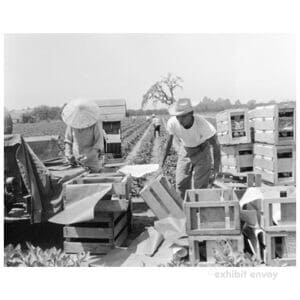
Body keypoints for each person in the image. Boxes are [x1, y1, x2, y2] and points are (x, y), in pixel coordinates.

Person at [161, 98, 221, 200]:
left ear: (191, 113)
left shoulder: (202, 124)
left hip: (202, 151)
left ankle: (199, 211)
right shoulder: (172, 123)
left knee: (200, 186)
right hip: (185, 150)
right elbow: (168, 143)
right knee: (180, 183)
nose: (180, 120)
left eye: (184, 116)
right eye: (178, 116)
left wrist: (216, 169)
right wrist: (161, 163)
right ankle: (184, 210)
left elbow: (216, 144)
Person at [61, 99, 104, 173]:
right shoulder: (71, 124)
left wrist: (88, 156)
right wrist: (68, 154)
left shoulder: (95, 124)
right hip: (75, 161)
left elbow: (98, 144)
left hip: (92, 161)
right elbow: (68, 140)